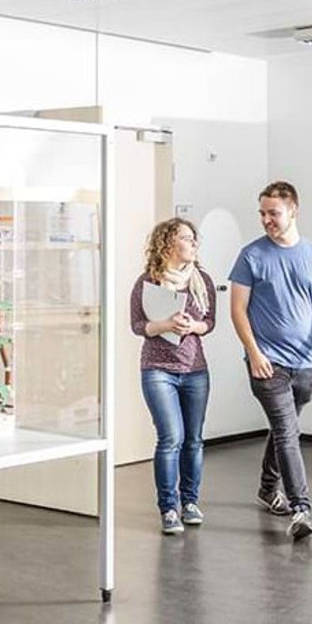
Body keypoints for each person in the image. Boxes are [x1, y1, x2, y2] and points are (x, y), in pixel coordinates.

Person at [229, 181, 312, 541]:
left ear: (293, 211)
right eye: (262, 213)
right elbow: (237, 310)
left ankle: (268, 487)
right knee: (286, 431)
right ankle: (301, 508)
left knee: (286, 429)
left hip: (306, 364)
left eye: (273, 213)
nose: (267, 220)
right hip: (268, 364)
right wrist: (254, 353)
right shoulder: (251, 256)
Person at [130, 218, 218, 535]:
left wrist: (192, 327)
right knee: (171, 439)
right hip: (157, 370)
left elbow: (209, 322)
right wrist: (166, 325)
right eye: (186, 238)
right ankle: (169, 508)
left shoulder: (203, 280)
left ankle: (190, 502)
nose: (194, 244)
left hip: (195, 371)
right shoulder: (147, 281)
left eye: (195, 239)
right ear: (168, 243)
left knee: (194, 440)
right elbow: (138, 326)